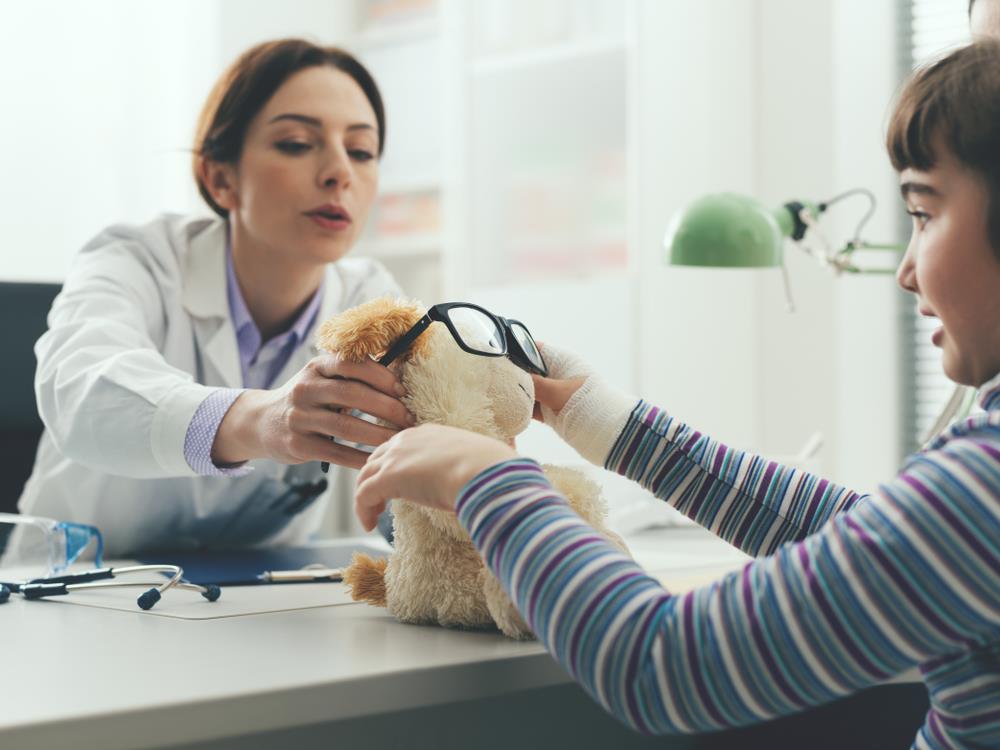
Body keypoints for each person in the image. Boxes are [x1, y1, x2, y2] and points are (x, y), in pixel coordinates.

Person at [352, 41, 1000, 748]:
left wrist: (484, 477)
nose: (905, 270)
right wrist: (606, 421)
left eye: (924, 213)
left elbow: (662, 664)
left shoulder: (984, 481)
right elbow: (863, 531)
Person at [18, 39, 413, 555]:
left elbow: (417, 460)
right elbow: (79, 385)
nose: (340, 172)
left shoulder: (370, 301)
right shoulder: (138, 259)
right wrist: (260, 421)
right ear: (220, 177)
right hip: (76, 586)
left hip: (258, 602)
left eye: (361, 151)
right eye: (296, 142)